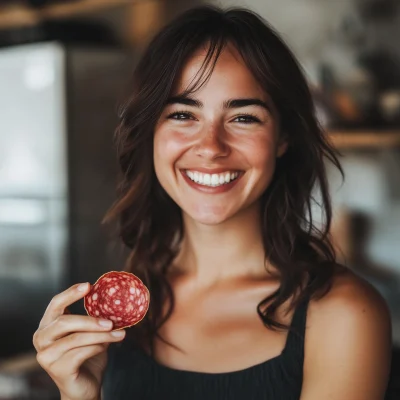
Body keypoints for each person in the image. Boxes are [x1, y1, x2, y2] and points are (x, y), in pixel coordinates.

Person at [32, 5, 392, 400]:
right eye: (183, 114)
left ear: (283, 137)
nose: (210, 147)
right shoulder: (119, 310)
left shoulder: (345, 314)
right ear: (151, 133)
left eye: (243, 118)